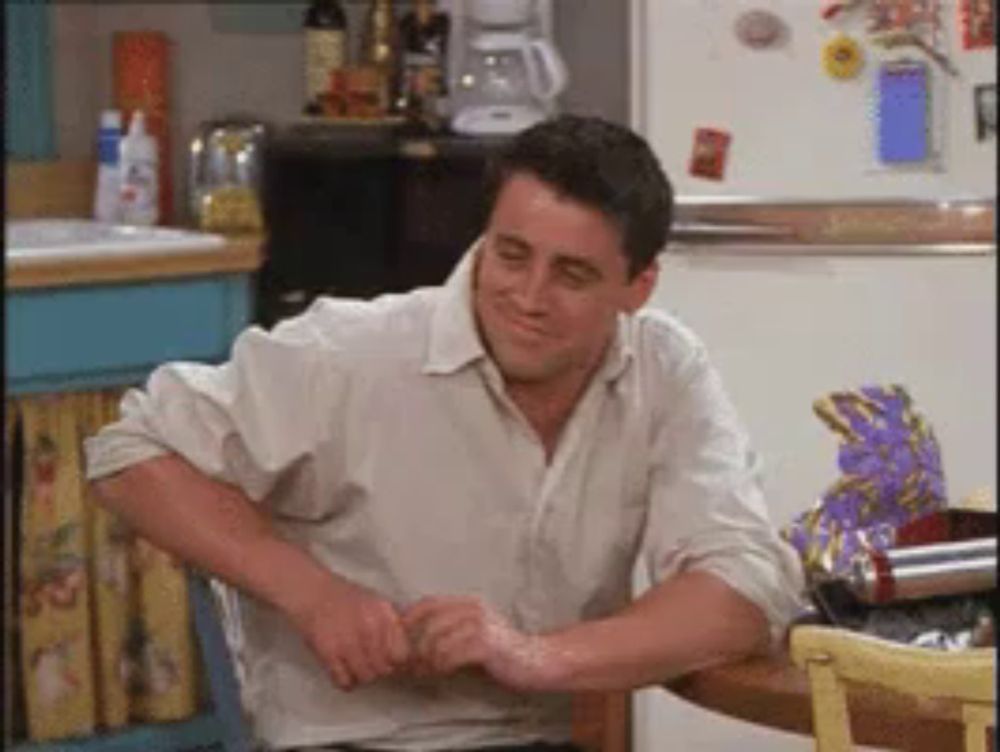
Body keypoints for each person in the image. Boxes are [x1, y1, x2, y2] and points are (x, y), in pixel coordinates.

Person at [85, 114, 805, 752]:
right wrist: (313, 594)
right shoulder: (351, 352)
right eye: (512, 255)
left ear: (638, 288)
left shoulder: (664, 366)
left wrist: (537, 657)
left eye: (573, 274)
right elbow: (131, 451)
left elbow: (744, 583)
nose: (528, 298)